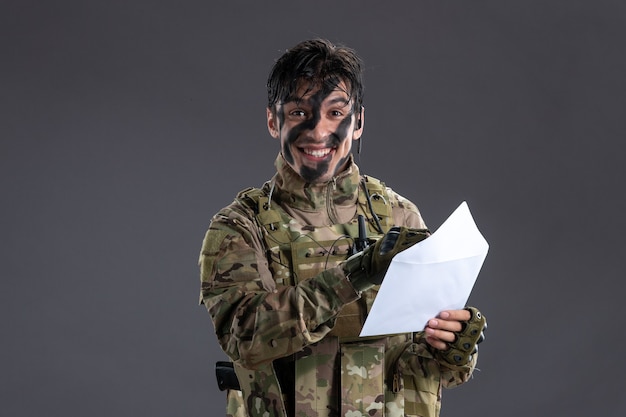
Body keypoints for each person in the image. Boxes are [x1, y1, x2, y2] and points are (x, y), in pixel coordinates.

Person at [198, 38, 487, 417]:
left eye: (335, 113)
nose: (318, 132)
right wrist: (357, 274)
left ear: (359, 122)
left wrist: (455, 348)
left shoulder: (401, 217)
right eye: (300, 113)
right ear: (274, 121)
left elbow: (422, 366)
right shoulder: (240, 227)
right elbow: (246, 337)